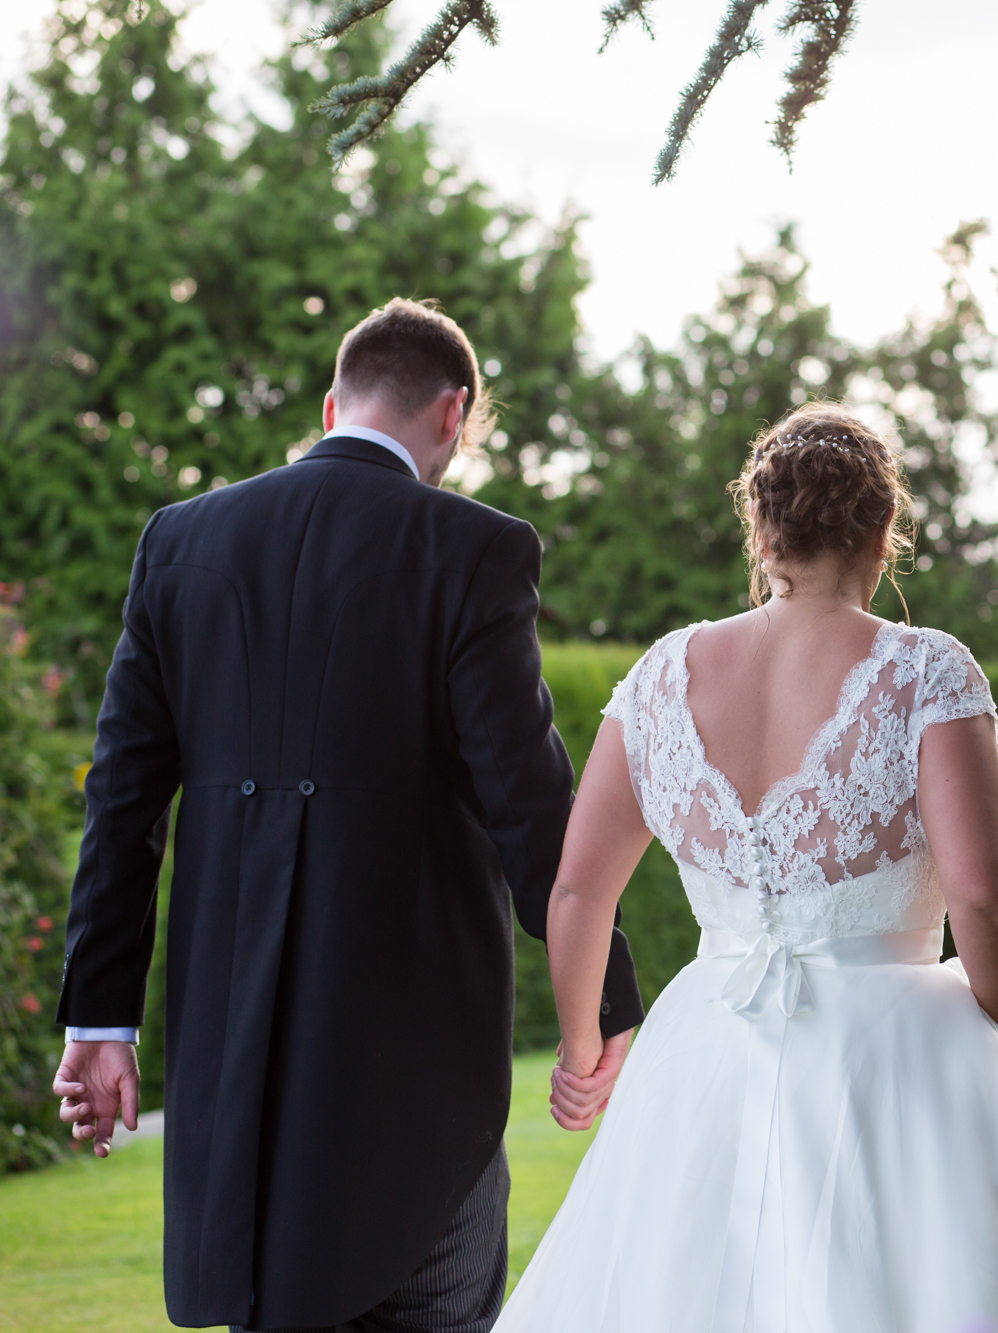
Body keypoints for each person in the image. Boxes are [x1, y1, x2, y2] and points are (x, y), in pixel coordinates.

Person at [51, 297, 645, 1333]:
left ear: (335, 402)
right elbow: (531, 807)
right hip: (413, 1086)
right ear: (453, 414)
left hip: (231, 1077)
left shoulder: (180, 541)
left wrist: (100, 1017)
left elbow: (122, 800)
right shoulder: (475, 550)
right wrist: (607, 1008)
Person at [496, 402, 998, 1332]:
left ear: (762, 530)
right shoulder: (927, 671)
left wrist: (584, 1049)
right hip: (897, 1056)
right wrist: (987, 1033)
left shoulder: (664, 673)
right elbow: (987, 891)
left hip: (703, 1043)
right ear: (882, 532)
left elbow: (580, 887)